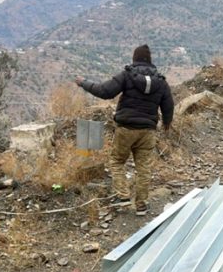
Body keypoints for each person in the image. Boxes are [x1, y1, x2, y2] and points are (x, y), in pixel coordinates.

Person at [75, 44, 174, 216]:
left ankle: (123, 196)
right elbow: (168, 105)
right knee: (144, 167)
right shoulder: (161, 82)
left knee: (117, 161)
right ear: (150, 61)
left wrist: (84, 83)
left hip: (126, 128)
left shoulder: (127, 76)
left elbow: (104, 91)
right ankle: (141, 205)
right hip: (148, 131)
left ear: (134, 59)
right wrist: (166, 122)